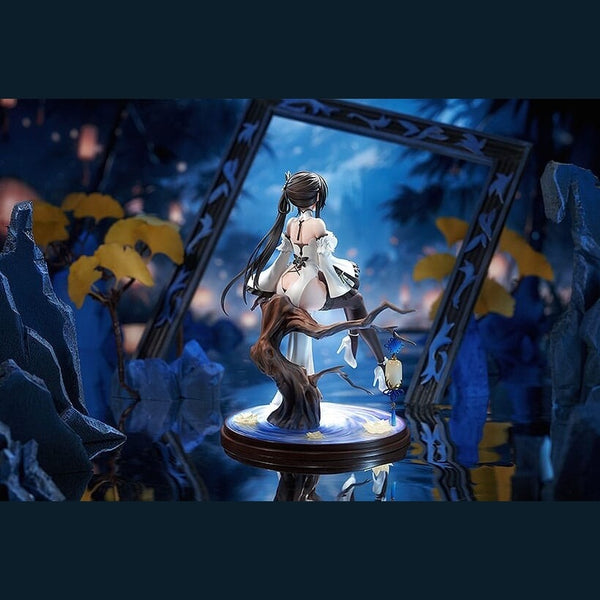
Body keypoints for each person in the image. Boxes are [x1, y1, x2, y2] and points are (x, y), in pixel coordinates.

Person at [221, 170, 387, 393]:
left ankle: (350, 341)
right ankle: (375, 358)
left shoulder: (290, 223)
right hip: (306, 288)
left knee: (350, 299)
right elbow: (324, 260)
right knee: (356, 299)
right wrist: (344, 278)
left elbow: (284, 257)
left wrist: (269, 284)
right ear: (317, 197)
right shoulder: (317, 224)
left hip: (286, 283)